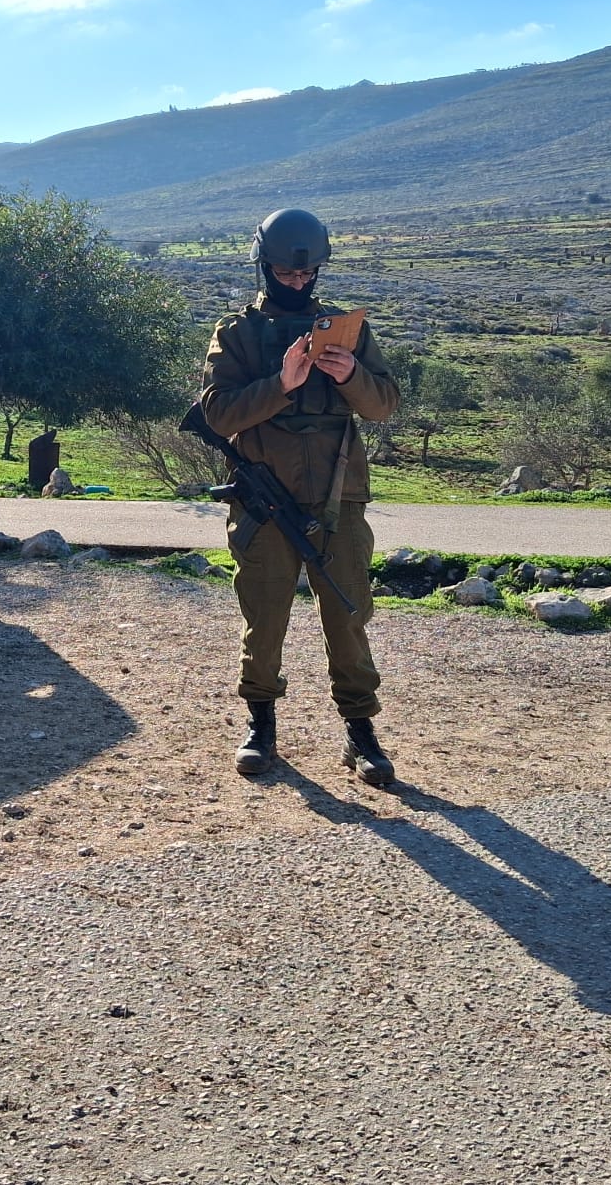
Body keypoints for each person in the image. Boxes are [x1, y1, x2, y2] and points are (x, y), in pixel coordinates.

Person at [200, 207, 401, 787]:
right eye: (285, 275)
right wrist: (280, 385)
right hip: (265, 503)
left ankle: (360, 732)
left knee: (348, 615)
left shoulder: (350, 328)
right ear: (263, 266)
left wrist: (348, 375)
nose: (296, 282)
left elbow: (384, 404)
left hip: (340, 500)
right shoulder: (235, 334)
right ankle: (260, 724)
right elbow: (217, 414)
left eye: (306, 275)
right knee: (264, 620)